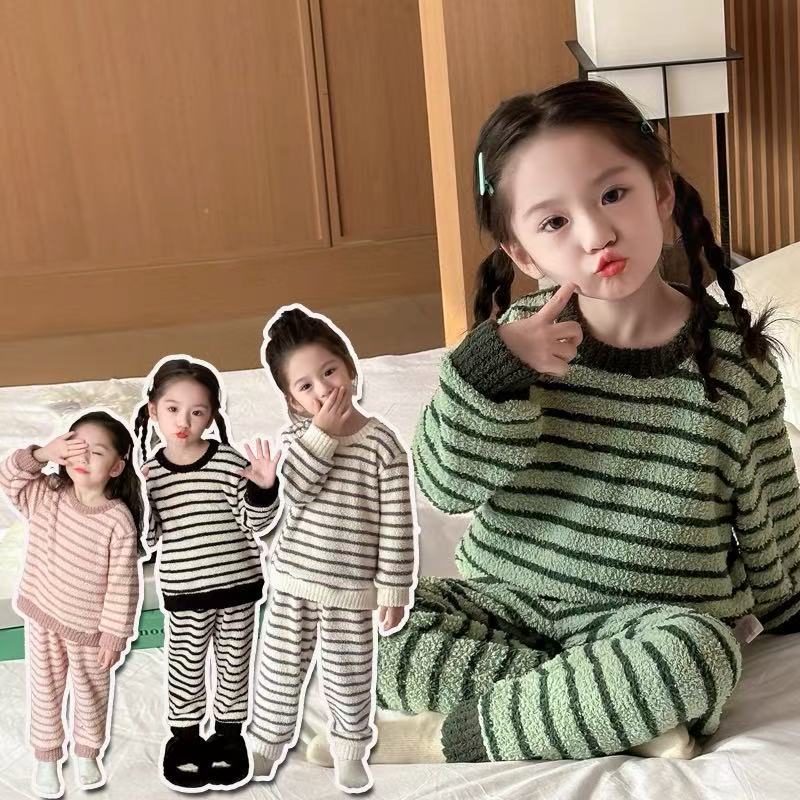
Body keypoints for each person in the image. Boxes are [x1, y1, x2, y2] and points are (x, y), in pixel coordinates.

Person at [308, 78, 800, 766]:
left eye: (613, 194)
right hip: (508, 605)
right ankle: (598, 711)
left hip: (649, 623)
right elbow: (445, 487)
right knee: (358, 618)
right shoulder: (511, 347)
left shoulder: (734, 363)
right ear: (522, 254)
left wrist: (785, 608)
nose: (597, 233)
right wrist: (489, 372)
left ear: (661, 192)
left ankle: (450, 738)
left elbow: (770, 506)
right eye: (554, 222)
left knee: (697, 658)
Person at [248, 306, 417, 792]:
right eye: (306, 386)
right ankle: (266, 745)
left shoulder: (382, 444)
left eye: (329, 372)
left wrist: (394, 590)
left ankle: (349, 752)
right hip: (294, 581)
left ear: (349, 366)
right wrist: (321, 434)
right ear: (293, 400)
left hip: (351, 590)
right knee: (279, 672)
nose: (323, 389)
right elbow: (295, 490)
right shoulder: (297, 438)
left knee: (350, 679)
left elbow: (397, 525)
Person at [134, 356, 281, 790]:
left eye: (197, 412)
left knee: (235, 665)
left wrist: (264, 488)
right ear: (153, 411)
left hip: (239, 587)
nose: (184, 421)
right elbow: (148, 538)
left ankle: (228, 737)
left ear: (212, 416)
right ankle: (185, 739)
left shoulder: (229, 462)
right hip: (184, 592)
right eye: (173, 409)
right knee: (186, 666)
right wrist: (134, 499)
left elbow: (255, 523)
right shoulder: (150, 476)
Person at [0, 411, 143, 797]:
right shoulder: (46, 495)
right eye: (75, 448)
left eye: (95, 452)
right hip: (43, 616)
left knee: (91, 694)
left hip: (89, 631)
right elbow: (8, 476)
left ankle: (87, 753)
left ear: (116, 467)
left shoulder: (118, 522)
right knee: (44, 691)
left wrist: (114, 635)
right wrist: (43, 453)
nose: (83, 458)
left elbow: (122, 586)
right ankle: (46, 758)